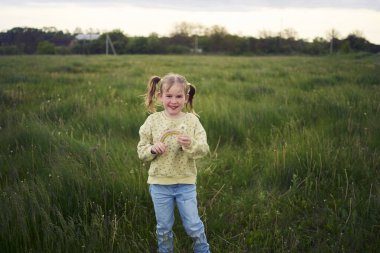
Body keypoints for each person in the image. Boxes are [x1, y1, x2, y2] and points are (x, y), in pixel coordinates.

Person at [137, 73, 211, 253]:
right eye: (169, 96)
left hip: (185, 183)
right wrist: (153, 149)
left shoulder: (192, 121)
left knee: (193, 224)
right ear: (160, 96)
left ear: (186, 97)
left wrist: (190, 144)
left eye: (179, 96)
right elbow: (141, 150)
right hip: (159, 184)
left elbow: (204, 148)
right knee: (163, 228)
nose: (174, 101)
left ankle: (203, 250)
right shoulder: (152, 121)